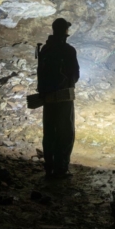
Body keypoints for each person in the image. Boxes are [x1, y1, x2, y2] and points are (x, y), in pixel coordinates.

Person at [37, 17, 79, 179]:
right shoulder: (69, 50)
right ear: (65, 32)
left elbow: (40, 73)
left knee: (49, 131)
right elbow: (75, 75)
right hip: (64, 97)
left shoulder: (45, 49)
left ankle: (49, 167)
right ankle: (61, 168)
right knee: (65, 131)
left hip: (48, 97)